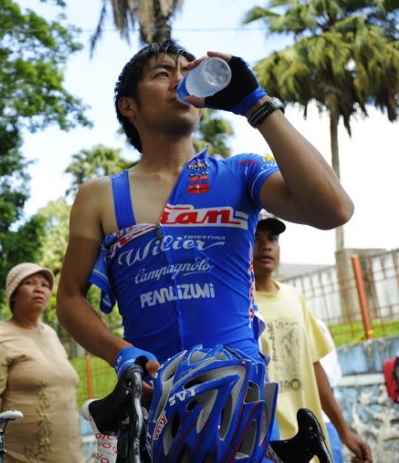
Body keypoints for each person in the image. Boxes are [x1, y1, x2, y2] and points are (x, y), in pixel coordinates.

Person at [55, 41, 353, 457]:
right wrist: (120, 354)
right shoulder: (100, 195)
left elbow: (334, 209)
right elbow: (69, 299)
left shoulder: (243, 173)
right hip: (153, 402)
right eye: (163, 73)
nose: (181, 80)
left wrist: (258, 106)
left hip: (239, 403)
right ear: (129, 106)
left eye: (186, 70)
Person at [253, 215, 372, 463]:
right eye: (256, 239)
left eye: (273, 239)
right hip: (268, 444)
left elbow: (315, 366)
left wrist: (344, 431)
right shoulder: (241, 303)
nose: (266, 246)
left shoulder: (295, 298)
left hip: (310, 440)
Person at [0, 262, 85, 462]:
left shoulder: (50, 334)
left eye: (45, 285)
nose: (39, 288)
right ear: (13, 293)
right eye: (30, 283)